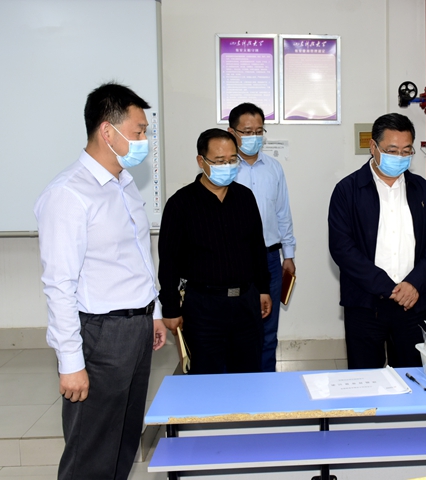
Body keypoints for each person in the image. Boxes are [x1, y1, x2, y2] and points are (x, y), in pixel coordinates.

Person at [34, 82, 167, 480]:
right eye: (139, 131)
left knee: (123, 442)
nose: (144, 141)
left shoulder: (124, 185)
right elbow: (59, 284)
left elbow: (139, 257)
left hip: (137, 328)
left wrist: (154, 313)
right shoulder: (68, 194)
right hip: (101, 335)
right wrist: (71, 362)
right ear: (108, 132)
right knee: (91, 451)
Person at [328, 113, 426, 369]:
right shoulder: (347, 191)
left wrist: (414, 283)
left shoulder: (422, 190)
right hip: (365, 304)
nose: (400, 157)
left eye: (406, 151)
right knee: (365, 378)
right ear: (373, 147)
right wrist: (387, 287)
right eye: (392, 151)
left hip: (412, 303)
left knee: (412, 377)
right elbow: (342, 247)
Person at [158, 128, 271, 374]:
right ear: (201, 161)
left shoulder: (245, 198)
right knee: (205, 377)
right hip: (203, 306)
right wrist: (170, 307)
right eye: (219, 161)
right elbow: (168, 261)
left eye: (232, 160)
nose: (227, 166)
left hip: (245, 303)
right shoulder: (180, 204)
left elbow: (256, 247)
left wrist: (263, 289)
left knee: (248, 374)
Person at [227, 102, 296, 372]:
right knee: (233, 330)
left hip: (269, 259)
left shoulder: (274, 168)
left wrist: (288, 255)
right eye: (247, 132)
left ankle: (266, 384)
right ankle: (235, 387)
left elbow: (282, 212)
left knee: (268, 329)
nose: (254, 137)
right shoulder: (224, 168)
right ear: (232, 132)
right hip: (233, 261)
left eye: (259, 131)